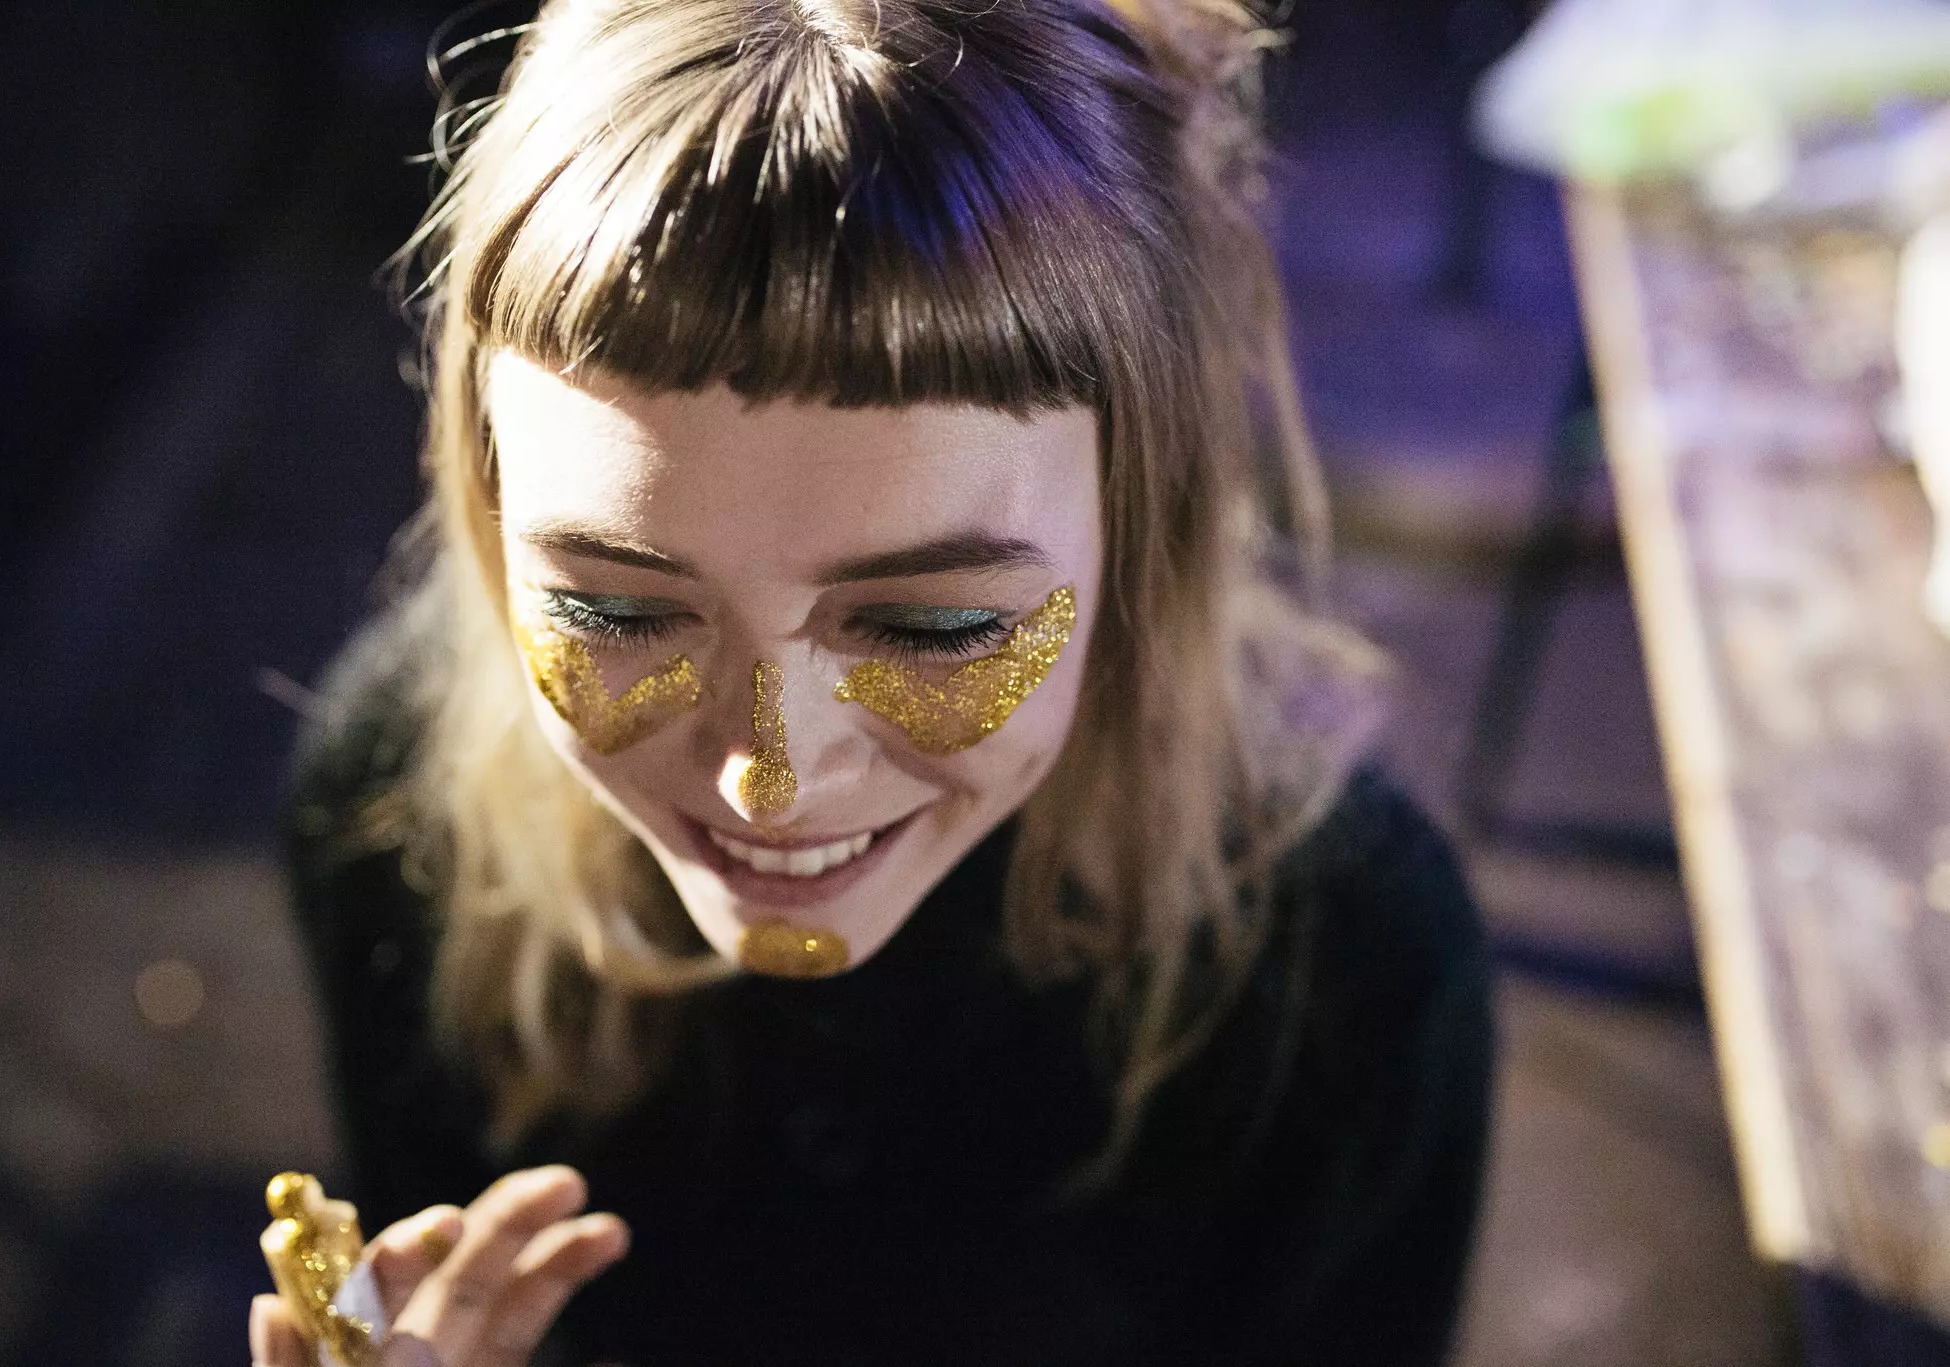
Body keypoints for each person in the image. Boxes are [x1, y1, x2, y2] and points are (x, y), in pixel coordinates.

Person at [249, 0, 1494, 1362]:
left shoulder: (1340, 969)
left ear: (1146, 526)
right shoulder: (393, 816)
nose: (765, 776)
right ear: (485, 517)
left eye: (932, 626)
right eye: (614, 608)